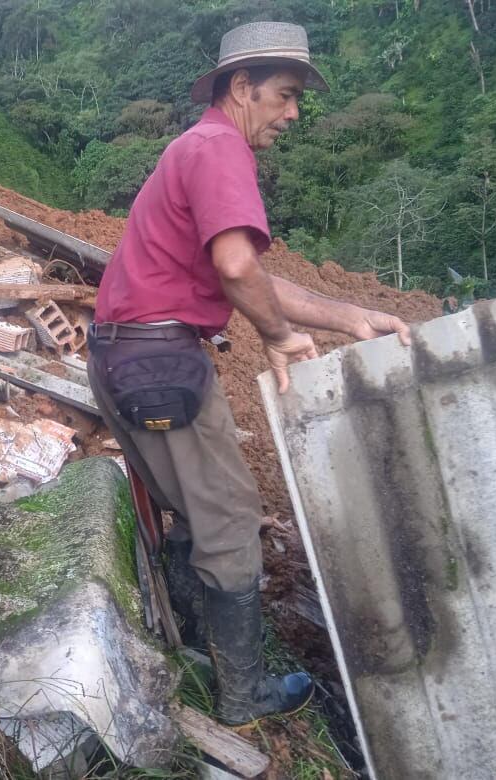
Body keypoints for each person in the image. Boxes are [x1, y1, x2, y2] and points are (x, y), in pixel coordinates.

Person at [87, 21, 412, 725]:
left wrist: (347, 314)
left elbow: (245, 270)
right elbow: (239, 272)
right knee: (232, 526)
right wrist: (279, 336)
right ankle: (243, 695)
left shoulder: (197, 148)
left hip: (124, 356)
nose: (293, 113)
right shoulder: (219, 147)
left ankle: (192, 648)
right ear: (242, 88)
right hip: (163, 361)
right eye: (286, 96)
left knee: (192, 513)